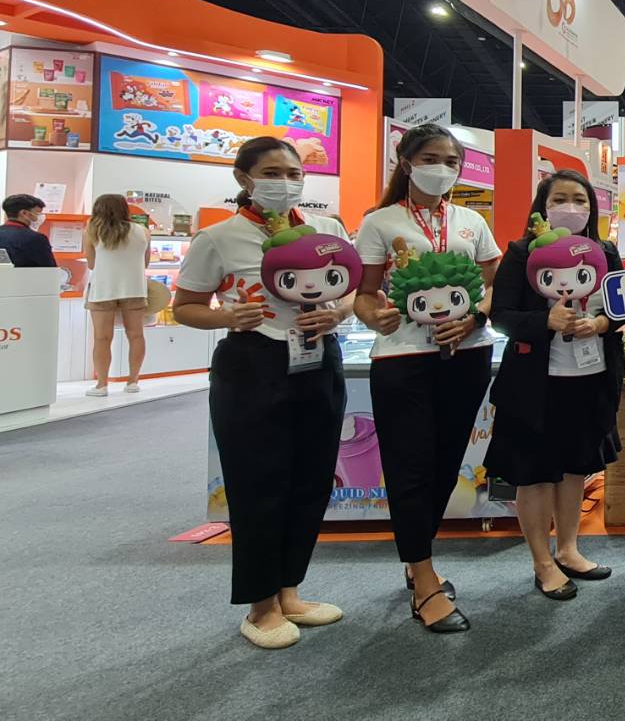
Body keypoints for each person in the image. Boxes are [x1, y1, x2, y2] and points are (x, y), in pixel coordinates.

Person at [171, 137, 355, 649]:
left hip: (318, 361)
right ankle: (260, 605)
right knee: (257, 486)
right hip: (252, 365)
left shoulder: (326, 231)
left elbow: (352, 294)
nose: (285, 182)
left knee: (311, 480)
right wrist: (227, 316)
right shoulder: (219, 238)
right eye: (272, 172)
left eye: (294, 173)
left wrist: (336, 314)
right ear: (244, 179)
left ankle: (290, 590)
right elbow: (185, 306)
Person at [353, 123, 501, 633]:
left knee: (445, 463)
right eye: (432, 159)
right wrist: (373, 318)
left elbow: (493, 285)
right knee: (409, 465)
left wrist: (476, 318)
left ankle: (419, 558)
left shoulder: (471, 221)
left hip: (467, 354)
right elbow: (364, 294)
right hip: (402, 357)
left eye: (451, 162)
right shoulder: (380, 223)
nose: (442, 169)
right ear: (407, 163)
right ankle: (423, 578)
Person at [486, 170, 624, 599]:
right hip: (535, 385)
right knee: (535, 475)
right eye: (559, 199)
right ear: (542, 206)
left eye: (580, 200)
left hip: (590, 379)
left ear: (592, 207)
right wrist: (544, 320)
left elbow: (624, 306)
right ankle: (542, 561)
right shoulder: (520, 253)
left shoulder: (605, 251)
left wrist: (601, 323)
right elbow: (501, 314)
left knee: (575, 469)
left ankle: (568, 549)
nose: (571, 207)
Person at [83, 193, 151, 397]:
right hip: (135, 289)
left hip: (102, 290)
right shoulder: (143, 231)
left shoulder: (92, 230)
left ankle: (102, 385)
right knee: (136, 335)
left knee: (102, 338)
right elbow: (145, 263)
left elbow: (91, 263)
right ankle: (133, 381)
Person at [0, 194, 56, 267]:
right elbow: (50, 270)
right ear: (24, 213)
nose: (40, 217)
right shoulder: (36, 238)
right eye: (38, 213)